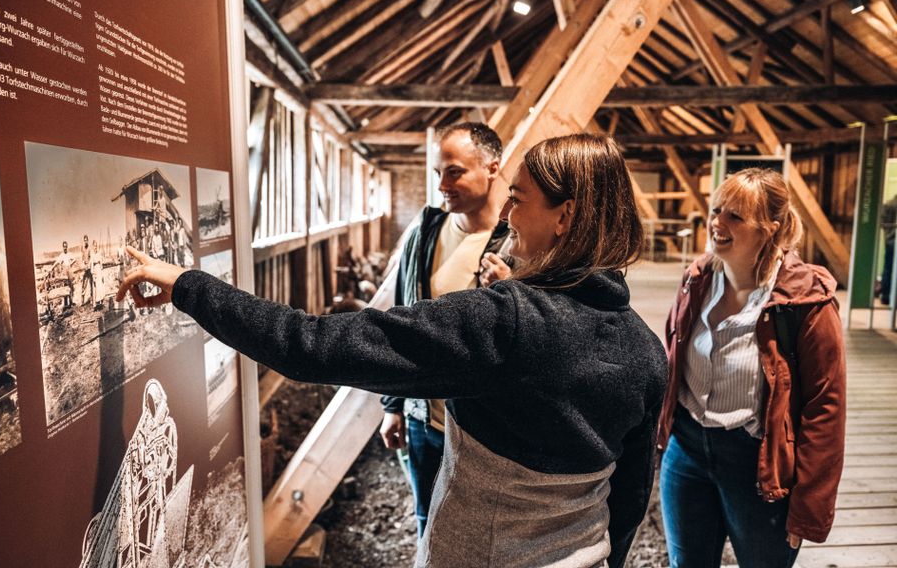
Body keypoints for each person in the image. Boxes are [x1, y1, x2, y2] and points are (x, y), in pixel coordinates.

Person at [118, 133, 667, 568]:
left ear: (565, 217)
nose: (507, 216)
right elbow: (630, 498)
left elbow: (310, 345)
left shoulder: (508, 322)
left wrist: (190, 286)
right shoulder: (646, 350)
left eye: (518, 201)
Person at [658, 168, 846, 568]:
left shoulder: (806, 300)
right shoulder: (698, 279)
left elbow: (825, 409)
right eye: (717, 209)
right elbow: (672, 359)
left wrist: (809, 507)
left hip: (758, 466)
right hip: (687, 451)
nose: (717, 223)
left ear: (769, 229)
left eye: (735, 217)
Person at [379, 122, 511, 538]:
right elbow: (403, 319)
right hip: (425, 419)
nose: (442, 185)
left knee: (481, 534)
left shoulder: (517, 241)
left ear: (492, 167)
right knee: (428, 522)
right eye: (438, 173)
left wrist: (512, 289)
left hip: (485, 426)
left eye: (454, 171)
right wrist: (394, 405)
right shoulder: (426, 231)